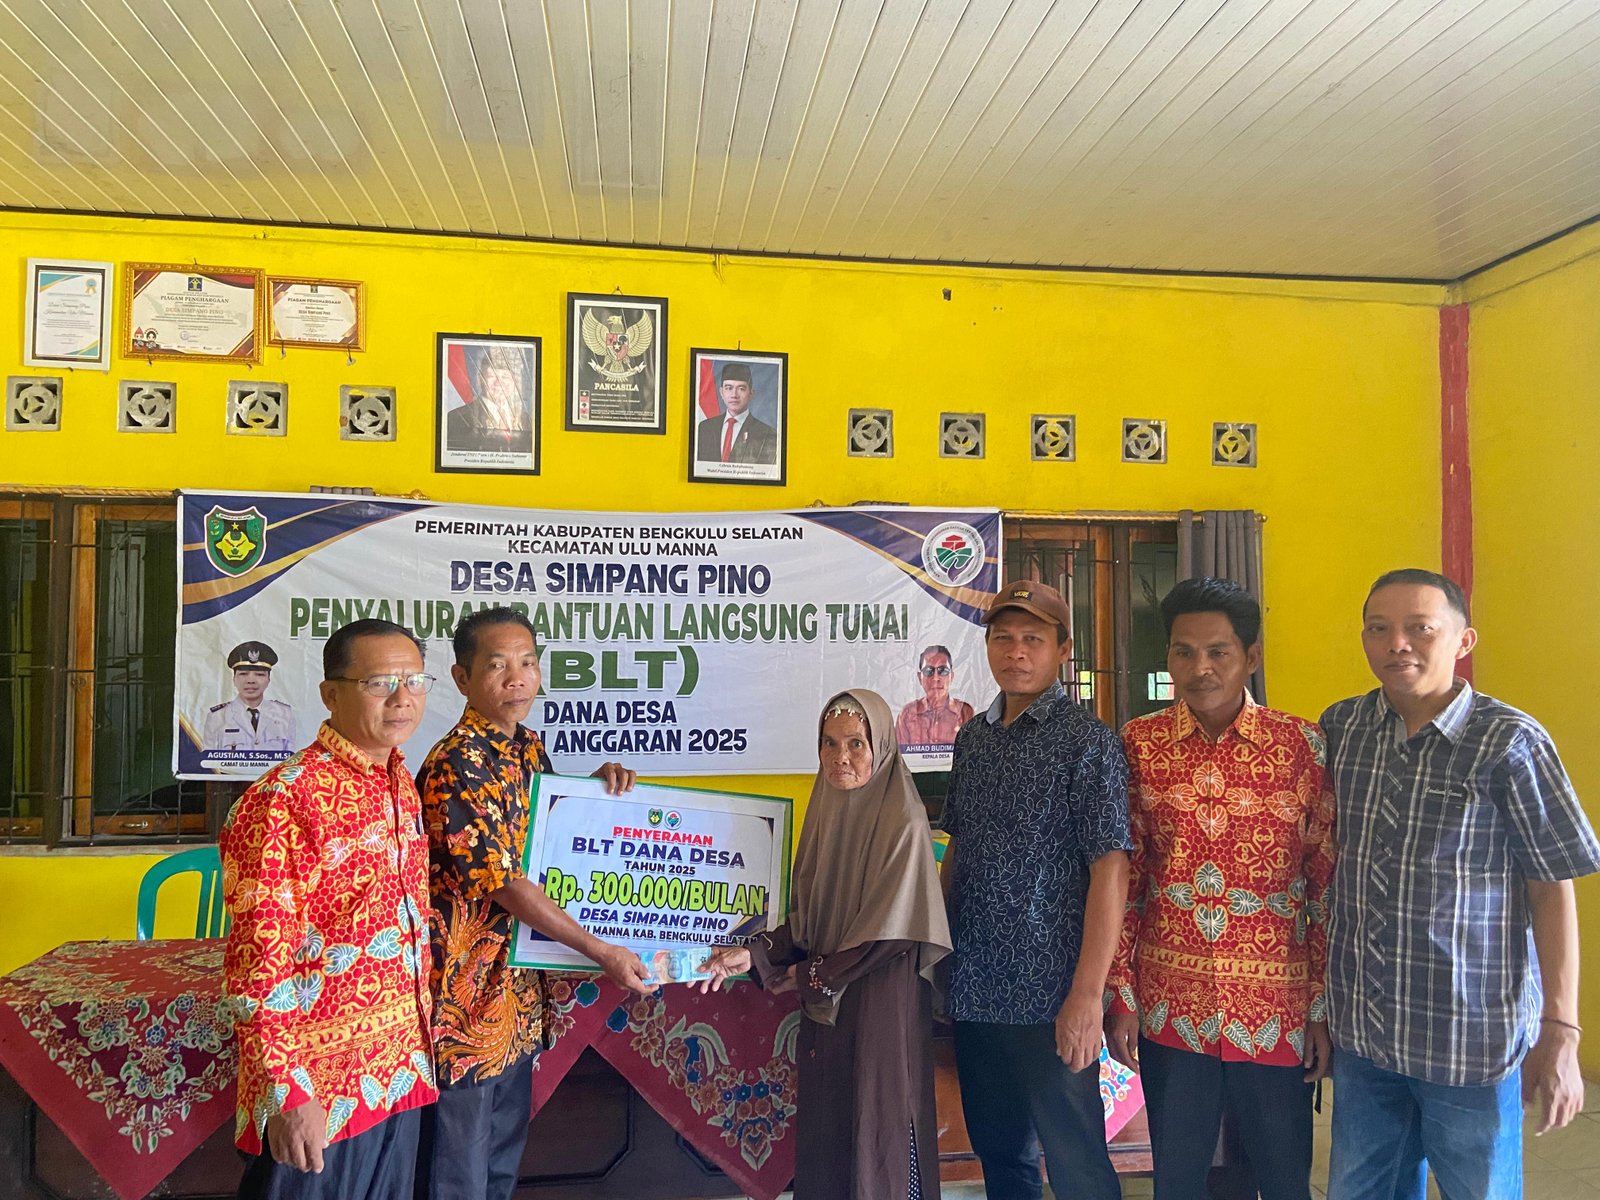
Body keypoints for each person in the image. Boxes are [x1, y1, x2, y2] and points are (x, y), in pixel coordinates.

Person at [1322, 569, 1600, 1200]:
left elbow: (1551, 887)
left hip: (1468, 1041)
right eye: (1379, 629)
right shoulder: (1342, 729)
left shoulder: (1510, 742)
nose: (1398, 644)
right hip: (1365, 1034)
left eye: (1420, 628)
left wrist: (1562, 1028)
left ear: (1463, 640)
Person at [1105, 578, 1335, 1200]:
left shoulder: (1302, 745)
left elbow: (1321, 885)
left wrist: (1319, 1008)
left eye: (1218, 652)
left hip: (1277, 1006)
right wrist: (1122, 993)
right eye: (1183, 652)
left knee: (1283, 1177)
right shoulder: (1139, 744)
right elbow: (1128, 880)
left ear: (1251, 656)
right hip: (1170, 1004)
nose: (1199, 668)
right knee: (1178, 1179)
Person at [415, 606, 653, 1200]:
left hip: (516, 995)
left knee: (500, 1164)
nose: (516, 677)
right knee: (458, 1173)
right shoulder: (456, 763)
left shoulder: (526, 748)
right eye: (498, 665)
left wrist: (592, 794)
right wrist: (601, 950)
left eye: (527, 662)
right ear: (462, 678)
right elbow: (505, 881)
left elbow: (545, 842)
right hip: (465, 1002)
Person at [700, 689, 951, 1200]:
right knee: (832, 1124)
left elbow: (894, 932)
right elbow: (810, 919)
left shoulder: (902, 820)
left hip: (879, 999)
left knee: (878, 1119)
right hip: (829, 997)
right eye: (830, 743)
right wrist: (753, 953)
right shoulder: (825, 811)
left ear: (881, 747)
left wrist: (810, 976)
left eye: (856, 743)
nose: (841, 757)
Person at [219, 618, 438, 1199]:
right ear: (331, 694)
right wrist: (288, 1094)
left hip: (397, 1071)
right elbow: (257, 967)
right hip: (319, 1090)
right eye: (379, 683)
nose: (402, 698)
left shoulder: (398, 781)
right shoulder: (284, 798)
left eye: (415, 681)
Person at [941, 580, 1132, 1200]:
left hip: (1053, 995)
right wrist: (939, 959)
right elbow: (958, 850)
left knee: (1078, 1162)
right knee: (1002, 1157)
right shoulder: (973, 739)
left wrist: (1088, 995)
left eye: (1032, 639)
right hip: (976, 988)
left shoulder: (1087, 742)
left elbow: (1111, 868)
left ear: (1063, 649)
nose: (1016, 652)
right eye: (1003, 638)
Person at [202, 640, 296, 753]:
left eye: (259, 675)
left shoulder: (284, 714)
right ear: (234, 679)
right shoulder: (217, 717)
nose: (251, 681)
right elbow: (209, 760)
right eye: (243, 674)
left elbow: (291, 758)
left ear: (268, 680)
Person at [447, 345, 530, 456]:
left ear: (514, 381)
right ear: (480, 379)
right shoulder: (456, 418)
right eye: (492, 376)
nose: (499, 382)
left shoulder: (527, 421)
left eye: (505, 377)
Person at [694, 362, 778, 465]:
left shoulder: (767, 434)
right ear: (721, 392)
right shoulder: (704, 428)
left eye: (741, 389)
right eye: (729, 388)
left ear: (751, 393)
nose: (734, 395)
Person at [894, 644, 976, 750]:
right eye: (928, 671)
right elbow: (900, 757)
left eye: (943, 671)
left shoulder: (965, 713)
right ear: (919, 677)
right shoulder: (907, 714)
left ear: (951, 676)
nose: (936, 678)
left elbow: (972, 754)